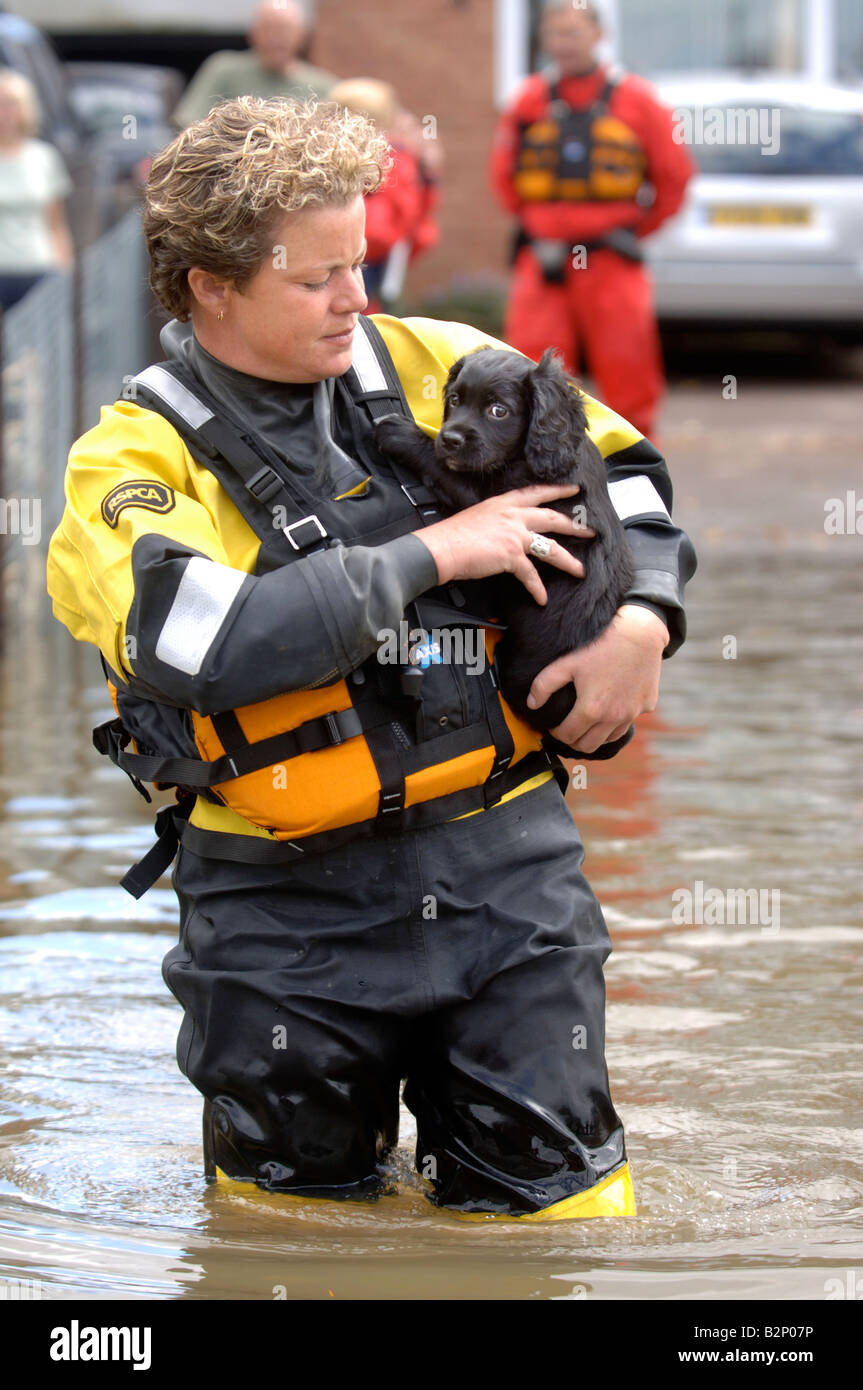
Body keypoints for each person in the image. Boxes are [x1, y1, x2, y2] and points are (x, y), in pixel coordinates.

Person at [47, 97, 696, 1220]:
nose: (357, 297)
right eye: (316, 279)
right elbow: (197, 644)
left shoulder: (436, 361)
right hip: (279, 915)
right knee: (284, 1242)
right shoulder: (129, 460)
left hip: (507, 878)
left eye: (360, 261)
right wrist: (432, 550)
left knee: (563, 1228)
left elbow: (625, 473)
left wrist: (643, 619)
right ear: (210, 282)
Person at [490, 0, 694, 440]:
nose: (563, 44)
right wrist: (542, 225)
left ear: (599, 36)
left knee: (628, 369)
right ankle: (536, 465)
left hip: (610, 259)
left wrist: (633, 231)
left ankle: (633, 469)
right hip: (544, 262)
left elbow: (674, 177)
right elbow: (504, 177)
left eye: (573, 32)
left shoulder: (639, 100)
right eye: (555, 34)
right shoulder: (528, 100)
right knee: (529, 370)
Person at [329, 79, 438, 311]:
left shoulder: (390, 160)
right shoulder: (394, 158)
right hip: (371, 257)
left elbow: (390, 223)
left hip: (366, 257)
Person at [172, 0, 336, 129]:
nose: (276, 38)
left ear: (302, 35)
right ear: (253, 33)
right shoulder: (223, 69)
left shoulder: (323, 86)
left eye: (284, 29)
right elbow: (189, 123)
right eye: (269, 28)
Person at [0, 68, 73, 311]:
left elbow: (55, 223)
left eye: (11, 104)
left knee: (35, 348)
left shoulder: (44, 157)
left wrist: (66, 270)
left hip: (39, 271)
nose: (5, 113)